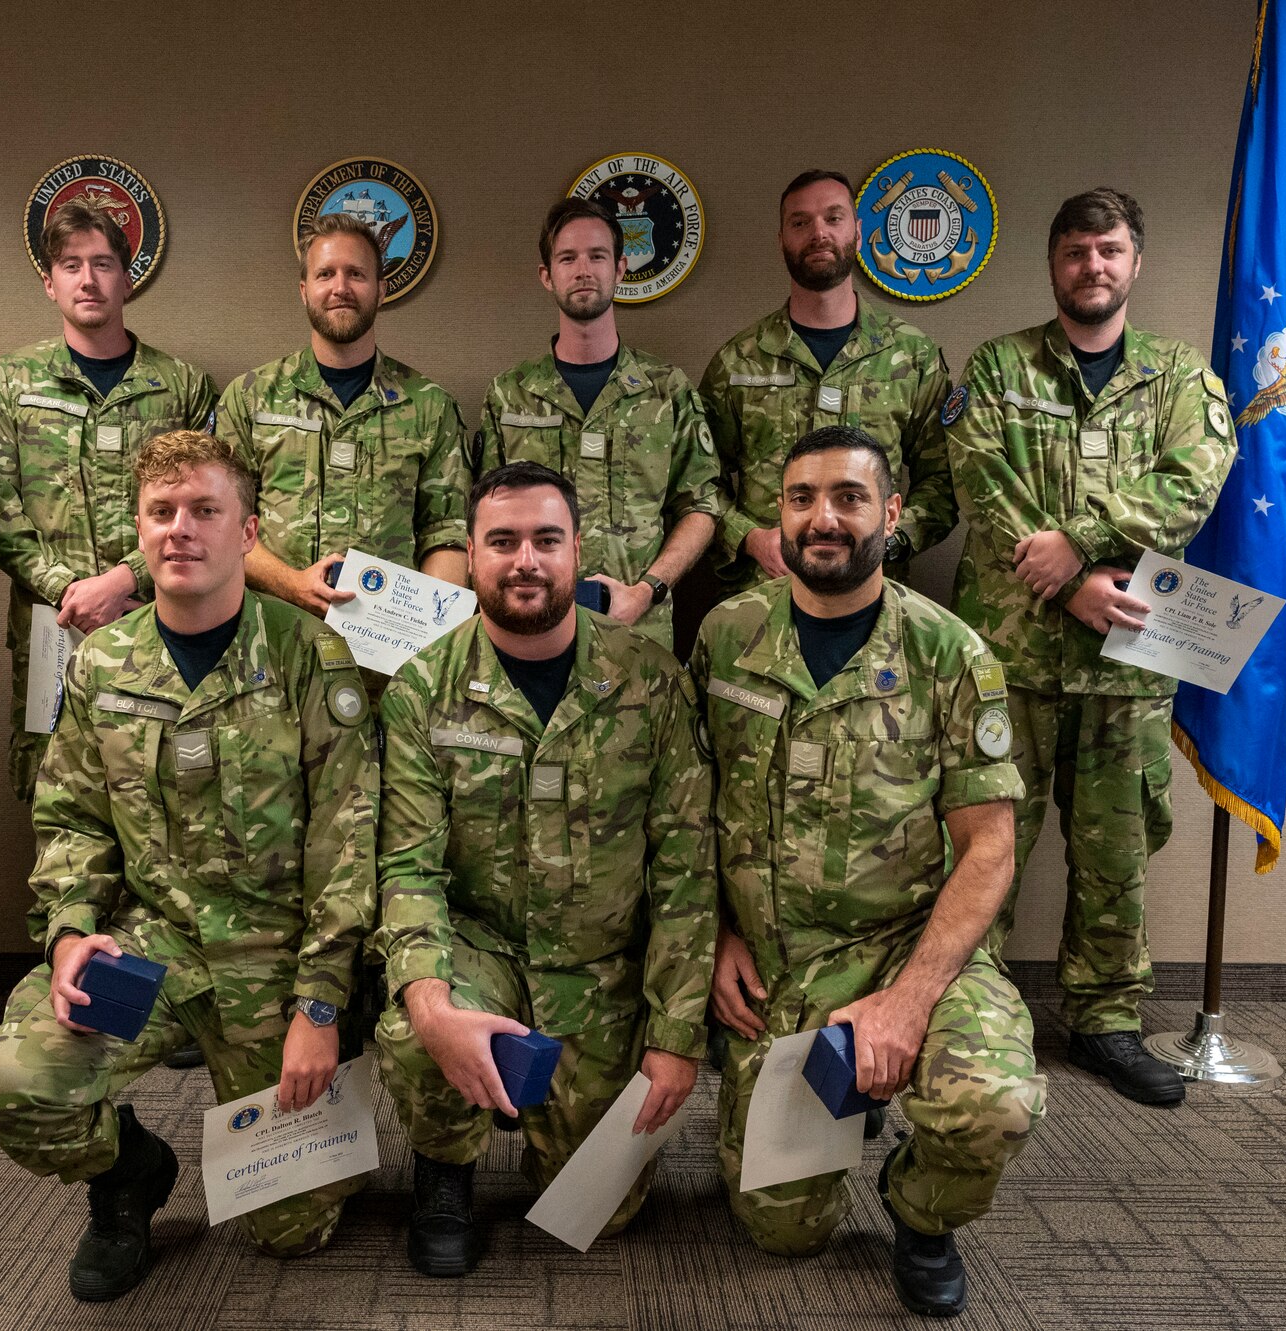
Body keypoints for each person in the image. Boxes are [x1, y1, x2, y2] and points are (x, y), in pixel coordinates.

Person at [0, 431, 378, 1302]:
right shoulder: (105, 662)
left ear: (248, 532)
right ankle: (129, 1174)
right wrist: (72, 929)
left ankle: (317, 1100)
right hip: (155, 942)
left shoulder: (310, 656)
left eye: (204, 511)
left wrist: (320, 1004)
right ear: (140, 529)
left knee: (291, 1231)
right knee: (11, 1085)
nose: (180, 530)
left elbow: (346, 846)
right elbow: (73, 815)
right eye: (161, 513)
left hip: (275, 956)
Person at [695, 426, 1044, 1319]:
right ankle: (838, 1101)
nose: (824, 518)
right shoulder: (726, 636)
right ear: (779, 514)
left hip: (909, 945)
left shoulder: (951, 654)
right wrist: (716, 935)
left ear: (889, 514)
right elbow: (683, 809)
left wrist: (909, 999)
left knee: (990, 1104)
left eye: (849, 497)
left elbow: (989, 850)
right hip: (777, 962)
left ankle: (921, 1209)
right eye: (803, 497)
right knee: (783, 1231)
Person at [374, 461, 715, 1276]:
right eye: (502, 541)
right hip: (480, 949)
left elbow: (686, 870)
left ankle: (564, 1117)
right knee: (415, 1030)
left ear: (577, 552)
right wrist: (427, 999)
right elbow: (407, 865)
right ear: (472, 556)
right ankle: (445, 1166)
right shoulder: (423, 687)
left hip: (601, 965)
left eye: (545, 539)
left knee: (598, 1216)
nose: (524, 559)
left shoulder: (650, 683)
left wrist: (674, 1035)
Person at [945, 188, 1237, 1106]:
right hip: (1012, 661)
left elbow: (1195, 483)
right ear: (1054, 264)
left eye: (1109, 250)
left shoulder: (1182, 378)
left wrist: (1080, 536)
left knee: (1116, 854)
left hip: (1129, 668)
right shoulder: (998, 366)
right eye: (1076, 251)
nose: (1093, 266)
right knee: (986, 843)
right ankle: (967, 1012)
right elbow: (980, 484)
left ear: (1135, 263)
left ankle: (1108, 1020)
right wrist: (1071, 583)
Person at [0, 194, 218, 802]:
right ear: (49, 282)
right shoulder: (8, 385)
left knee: (163, 785)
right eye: (72, 264)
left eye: (104, 264)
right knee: (53, 792)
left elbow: (204, 508)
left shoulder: (181, 388)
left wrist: (121, 581)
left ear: (127, 279)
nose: (88, 279)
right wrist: (68, 589)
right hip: (48, 629)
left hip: (157, 617)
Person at [476, 198, 719, 651]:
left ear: (621, 268)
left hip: (637, 631)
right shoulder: (510, 394)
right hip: (529, 629)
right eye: (567, 258)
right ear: (547, 275)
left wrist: (648, 589)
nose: (583, 270)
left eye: (597, 256)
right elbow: (483, 517)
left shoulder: (667, 390)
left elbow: (701, 507)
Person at [699, 169, 955, 596]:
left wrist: (884, 541)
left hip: (873, 597)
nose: (818, 233)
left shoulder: (913, 358)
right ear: (781, 238)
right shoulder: (737, 362)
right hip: (764, 597)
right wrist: (749, 538)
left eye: (833, 219)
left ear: (856, 230)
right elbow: (701, 481)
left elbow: (944, 481)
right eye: (800, 223)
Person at [214, 211, 469, 622]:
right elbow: (221, 526)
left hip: (385, 657)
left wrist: (427, 629)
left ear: (381, 290)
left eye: (356, 274)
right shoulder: (250, 398)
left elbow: (446, 532)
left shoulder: (429, 406)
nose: (340, 288)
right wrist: (291, 584)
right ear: (304, 290)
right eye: (325, 274)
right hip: (269, 641)